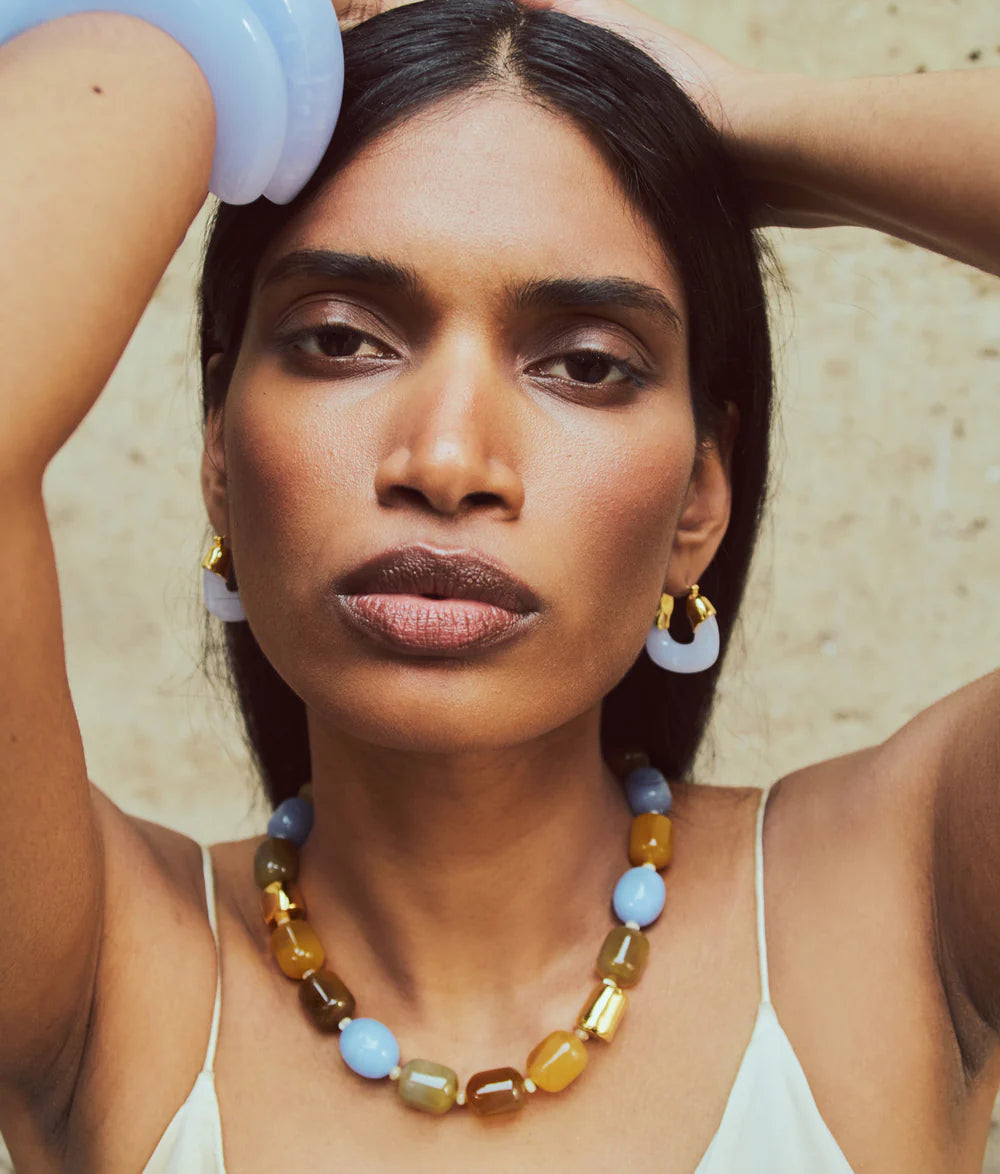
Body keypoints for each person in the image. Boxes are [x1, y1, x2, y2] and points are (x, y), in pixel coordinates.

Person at [0, 0, 996, 1171]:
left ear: (698, 501)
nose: (446, 461)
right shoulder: (103, 975)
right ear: (218, 451)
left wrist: (733, 121)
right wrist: (241, 35)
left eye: (583, 363)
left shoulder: (902, 895)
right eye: (339, 339)